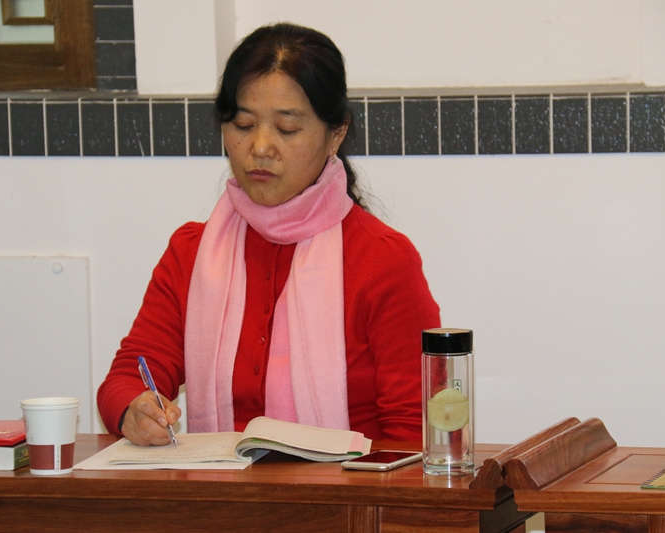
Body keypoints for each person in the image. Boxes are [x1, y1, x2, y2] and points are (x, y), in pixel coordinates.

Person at [97, 22, 440, 446]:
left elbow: (415, 432)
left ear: (336, 133)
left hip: (347, 485)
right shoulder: (193, 253)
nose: (260, 147)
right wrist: (135, 409)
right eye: (243, 125)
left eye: (287, 129)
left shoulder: (382, 260)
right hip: (219, 485)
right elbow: (129, 376)